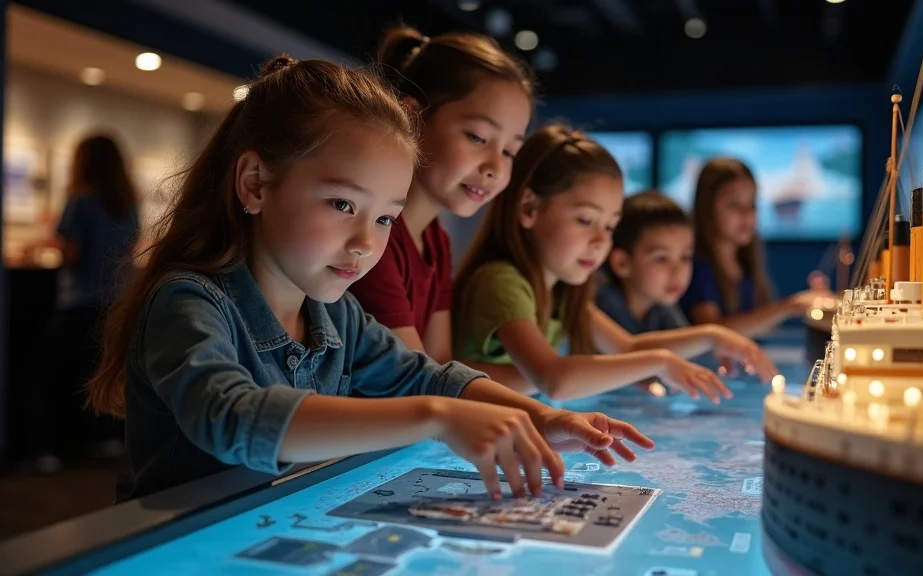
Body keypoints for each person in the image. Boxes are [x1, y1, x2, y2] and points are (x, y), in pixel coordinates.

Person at [87, 57, 653, 502]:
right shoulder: (189, 302)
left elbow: (424, 375)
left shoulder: (335, 313)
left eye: (385, 217)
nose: (366, 241)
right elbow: (232, 418)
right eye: (341, 203)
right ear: (256, 183)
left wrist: (543, 417)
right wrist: (438, 419)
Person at [452, 124, 778, 403]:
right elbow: (553, 378)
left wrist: (712, 336)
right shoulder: (502, 281)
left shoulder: (563, 290)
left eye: (609, 226)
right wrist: (660, 362)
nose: (600, 242)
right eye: (585, 219)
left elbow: (626, 346)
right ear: (529, 208)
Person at [348, 26, 532, 392]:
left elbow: (443, 363)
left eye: (510, 151)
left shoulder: (436, 240)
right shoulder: (374, 237)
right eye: (478, 137)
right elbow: (420, 378)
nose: (495, 165)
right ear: (411, 119)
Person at [26, 134, 140, 473]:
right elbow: (128, 251)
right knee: (100, 372)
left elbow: (71, 254)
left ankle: (44, 450)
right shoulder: (128, 204)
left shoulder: (81, 201)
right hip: (115, 304)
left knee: (48, 376)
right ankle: (102, 439)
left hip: (79, 302)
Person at [679, 157, 830, 337]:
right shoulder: (696, 266)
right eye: (734, 204)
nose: (747, 214)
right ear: (706, 206)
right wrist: (790, 306)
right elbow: (712, 332)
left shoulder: (745, 262)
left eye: (752, 204)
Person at [596, 190, 691, 335]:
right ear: (622, 263)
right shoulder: (601, 304)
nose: (677, 271)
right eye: (661, 259)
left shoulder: (660, 304)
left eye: (685, 257)